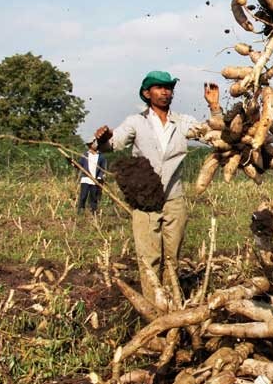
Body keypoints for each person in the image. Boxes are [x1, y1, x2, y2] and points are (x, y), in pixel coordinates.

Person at [95, 70, 222, 301]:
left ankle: (172, 304)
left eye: (169, 88)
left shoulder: (182, 122)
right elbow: (113, 143)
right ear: (147, 93)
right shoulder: (136, 122)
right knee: (149, 258)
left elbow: (213, 134)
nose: (165, 92)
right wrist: (103, 138)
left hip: (174, 199)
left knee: (172, 258)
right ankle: (154, 308)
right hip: (146, 203)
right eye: (159, 87)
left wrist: (214, 107)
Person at [76, 139, 107, 215]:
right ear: (90, 145)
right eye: (93, 143)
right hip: (85, 179)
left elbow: (103, 169)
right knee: (83, 196)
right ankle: (80, 211)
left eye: (95, 143)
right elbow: (79, 165)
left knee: (94, 197)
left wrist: (100, 177)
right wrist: (74, 164)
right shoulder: (85, 155)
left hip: (95, 180)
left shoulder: (101, 156)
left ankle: (93, 212)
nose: (95, 145)